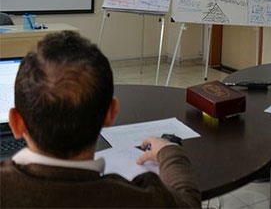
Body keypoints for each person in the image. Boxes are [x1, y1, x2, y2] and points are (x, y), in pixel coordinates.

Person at [1, 31, 201, 208]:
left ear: (16, 123)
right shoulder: (138, 199)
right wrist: (170, 152)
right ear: (111, 113)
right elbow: (189, 203)